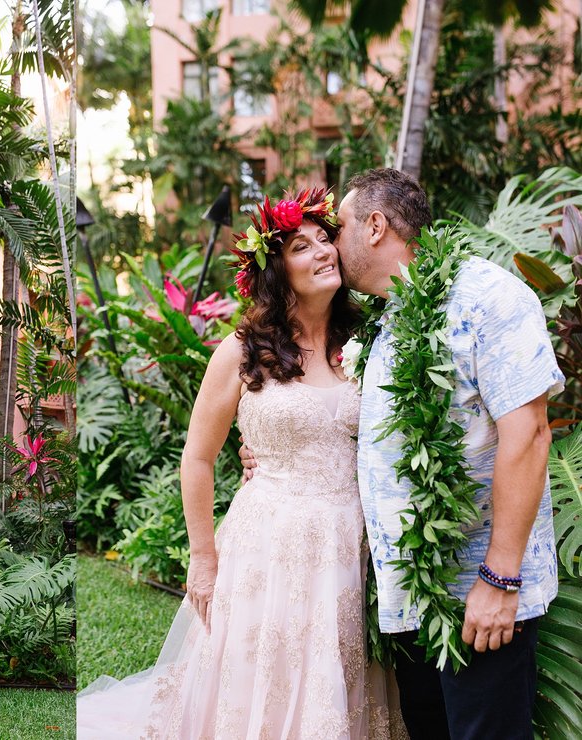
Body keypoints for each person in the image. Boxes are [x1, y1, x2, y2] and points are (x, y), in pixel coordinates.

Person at [241, 168, 562, 739]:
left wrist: (500, 576)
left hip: (477, 592)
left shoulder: (487, 295)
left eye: (336, 229)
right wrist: (271, 448)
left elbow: (531, 432)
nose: (331, 245)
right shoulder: (389, 320)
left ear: (374, 225)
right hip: (413, 594)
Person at [77, 187, 406, 739]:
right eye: (301, 246)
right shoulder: (240, 351)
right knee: (261, 683)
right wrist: (203, 558)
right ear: (277, 272)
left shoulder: (370, 342)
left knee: (337, 678)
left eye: (326, 239)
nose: (323, 251)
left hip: (350, 544)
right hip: (268, 547)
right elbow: (198, 458)